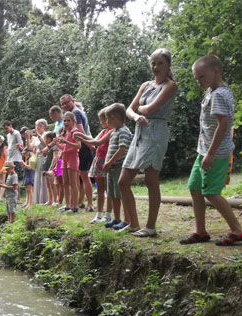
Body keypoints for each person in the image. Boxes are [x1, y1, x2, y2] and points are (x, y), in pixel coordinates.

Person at [180, 54, 242, 246]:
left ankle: (238, 230)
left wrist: (211, 153)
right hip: (204, 150)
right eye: (196, 78)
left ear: (216, 71)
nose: (198, 82)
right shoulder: (213, 91)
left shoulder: (219, 94)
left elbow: (223, 124)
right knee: (194, 187)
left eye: (201, 77)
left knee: (211, 192)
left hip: (215, 153)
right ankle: (200, 232)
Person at [116, 49, 177, 237]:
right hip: (139, 133)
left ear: (168, 65)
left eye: (160, 63)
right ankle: (134, 224)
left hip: (156, 133)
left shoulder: (170, 85)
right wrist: (136, 116)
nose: (155, 67)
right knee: (123, 182)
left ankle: (150, 227)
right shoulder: (145, 85)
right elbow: (129, 110)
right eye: (153, 63)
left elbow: (149, 109)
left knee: (151, 180)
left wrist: (139, 110)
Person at [74, 108, 114, 223]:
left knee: (109, 189)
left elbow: (97, 142)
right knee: (100, 189)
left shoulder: (112, 131)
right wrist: (81, 136)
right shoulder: (103, 131)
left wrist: (82, 138)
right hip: (99, 160)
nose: (100, 123)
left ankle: (108, 214)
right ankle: (99, 214)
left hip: (106, 161)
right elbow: (94, 139)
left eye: (102, 120)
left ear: (108, 119)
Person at [101, 104, 133, 230]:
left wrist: (108, 163)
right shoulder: (114, 132)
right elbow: (109, 148)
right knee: (113, 194)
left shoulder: (124, 131)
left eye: (107, 119)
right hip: (111, 167)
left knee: (121, 194)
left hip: (119, 166)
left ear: (113, 117)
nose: (106, 121)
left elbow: (121, 149)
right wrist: (108, 163)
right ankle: (117, 218)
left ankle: (127, 220)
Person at [56, 112, 82, 213]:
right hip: (65, 159)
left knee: (73, 183)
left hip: (73, 158)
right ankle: (67, 205)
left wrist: (66, 142)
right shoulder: (66, 133)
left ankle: (75, 206)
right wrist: (57, 143)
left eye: (68, 120)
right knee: (65, 183)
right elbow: (64, 148)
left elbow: (78, 146)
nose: (66, 123)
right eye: (64, 121)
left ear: (73, 121)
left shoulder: (75, 132)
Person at [49, 105, 65, 206]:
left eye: (52, 116)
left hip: (62, 151)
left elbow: (60, 137)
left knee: (60, 177)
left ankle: (60, 200)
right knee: (57, 177)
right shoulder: (56, 124)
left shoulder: (64, 122)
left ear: (56, 113)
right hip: (57, 151)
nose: (51, 118)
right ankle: (58, 199)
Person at [30, 119, 49, 204]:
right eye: (36, 125)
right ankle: (37, 199)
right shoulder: (35, 138)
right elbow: (30, 147)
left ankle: (45, 199)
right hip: (37, 157)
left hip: (44, 157)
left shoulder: (46, 134)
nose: (37, 127)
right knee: (37, 177)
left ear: (44, 126)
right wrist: (28, 138)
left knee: (43, 177)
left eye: (39, 126)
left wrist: (38, 136)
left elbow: (46, 145)